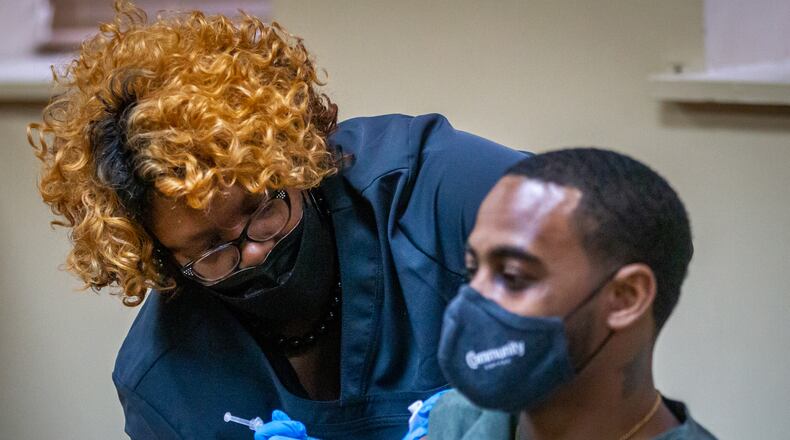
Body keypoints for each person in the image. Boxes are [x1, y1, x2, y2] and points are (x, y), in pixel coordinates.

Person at [26, 2, 524, 439]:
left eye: (262, 209)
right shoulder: (166, 382)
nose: (255, 251)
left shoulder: (437, 191)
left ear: (294, 159)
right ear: (160, 263)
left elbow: (593, 252)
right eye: (211, 252)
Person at [409, 148, 717, 439]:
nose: (472, 298)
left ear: (626, 297)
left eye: (513, 277)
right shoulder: (451, 422)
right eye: (473, 271)